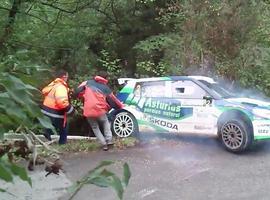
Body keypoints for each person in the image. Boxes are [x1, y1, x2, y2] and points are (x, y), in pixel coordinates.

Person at [75, 71, 123, 151]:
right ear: (105, 78)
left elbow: (77, 90)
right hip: (100, 110)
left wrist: (82, 95)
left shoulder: (87, 82)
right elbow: (113, 99)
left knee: (95, 127)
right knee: (105, 123)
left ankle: (104, 144)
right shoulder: (105, 88)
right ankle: (109, 140)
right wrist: (120, 106)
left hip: (88, 110)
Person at [41, 70, 74, 144]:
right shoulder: (61, 87)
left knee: (50, 125)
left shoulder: (53, 85)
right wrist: (71, 110)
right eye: (67, 77)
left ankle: (47, 133)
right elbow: (62, 101)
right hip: (55, 112)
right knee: (64, 127)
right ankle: (62, 143)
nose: (67, 79)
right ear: (64, 76)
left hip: (46, 110)